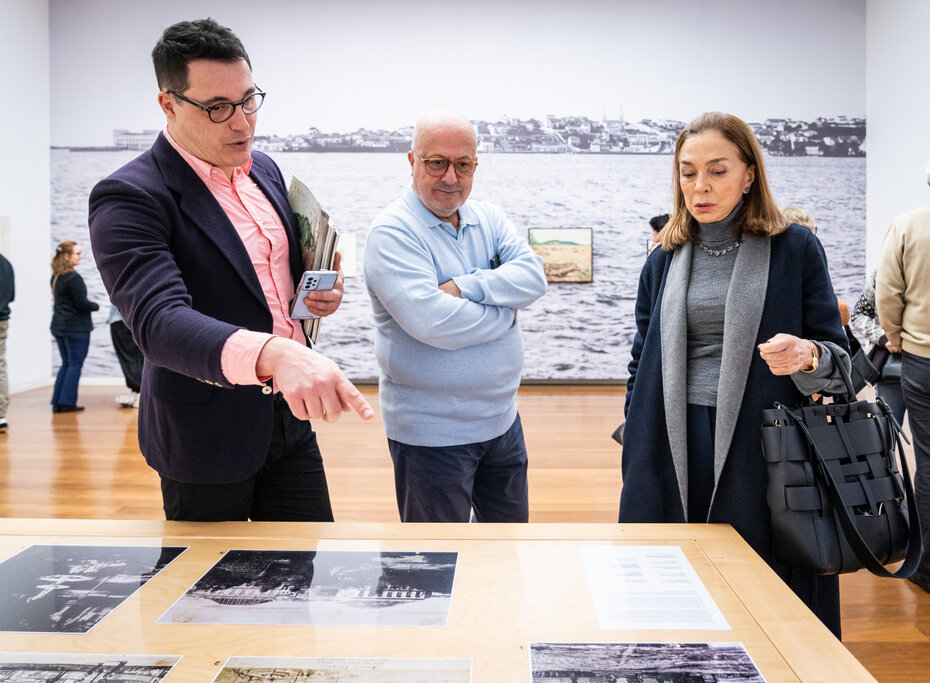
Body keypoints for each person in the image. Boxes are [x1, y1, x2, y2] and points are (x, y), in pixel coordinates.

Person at [88, 18, 372, 522]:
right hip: (204, 438)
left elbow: (267, 280)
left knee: (305, 576)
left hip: (289, 419)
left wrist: (315, 295)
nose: (242, 123)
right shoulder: (128, 196)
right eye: (217, 108)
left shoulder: (264, 169)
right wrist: (276, 353)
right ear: (168, 104)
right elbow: (158, 323)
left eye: (248, 100)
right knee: (209, 597)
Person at [618, 112, 850, 637]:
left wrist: (808, 355)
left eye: (717, 171)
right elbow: (641, 360)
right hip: (672, 444)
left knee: (764, 599)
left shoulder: (794, 249)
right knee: (675, 586)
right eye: (687, 172)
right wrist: (633, 431)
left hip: (765, 449)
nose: (700, 186)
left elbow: (843, 359)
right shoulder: (664, 259)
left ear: (749, 175)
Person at [364, 109, 548, 523]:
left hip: (502, 423)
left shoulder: (490, 217)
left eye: (463, 165)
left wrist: (466, 287)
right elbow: (433, 322)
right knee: (433, 566)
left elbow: (533, 277)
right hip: (431, 436)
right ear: (412, 162)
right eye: (437, 163)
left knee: (507, 552)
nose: (451, 177)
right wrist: (507, 315)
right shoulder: (392, 233)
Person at [877, 169, 930, 593]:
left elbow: (887, 293)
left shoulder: (909, 224)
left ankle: (926, 568)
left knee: (928, 463)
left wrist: (894, 337)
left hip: (921, 359)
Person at [851, 270, 906, 424]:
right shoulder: (881, 275)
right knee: (888, 432)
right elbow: (858, 315)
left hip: (923, 366)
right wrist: (884, 337)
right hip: (889, 369)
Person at [50, 241, 99, 413]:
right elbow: (82, 304)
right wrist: (96, 306)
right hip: (75, 327)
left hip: (58, 326)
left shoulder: (56, 276)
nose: (81, 256)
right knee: (75, 365)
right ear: (66, 256)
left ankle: (58, 402)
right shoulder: (74, 277)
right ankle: (67, 403)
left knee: (66, 364)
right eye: (78, 253)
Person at [107, 304, 143, 408]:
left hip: (123, 320)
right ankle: (137, 391)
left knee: (132, 358)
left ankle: (139, 392)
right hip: (125, 320)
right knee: (134, 358)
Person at [0, 252, 13, 432]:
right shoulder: (6, 264)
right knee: (0, 365)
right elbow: (11, 295)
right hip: (2, 319)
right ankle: (1, 413)